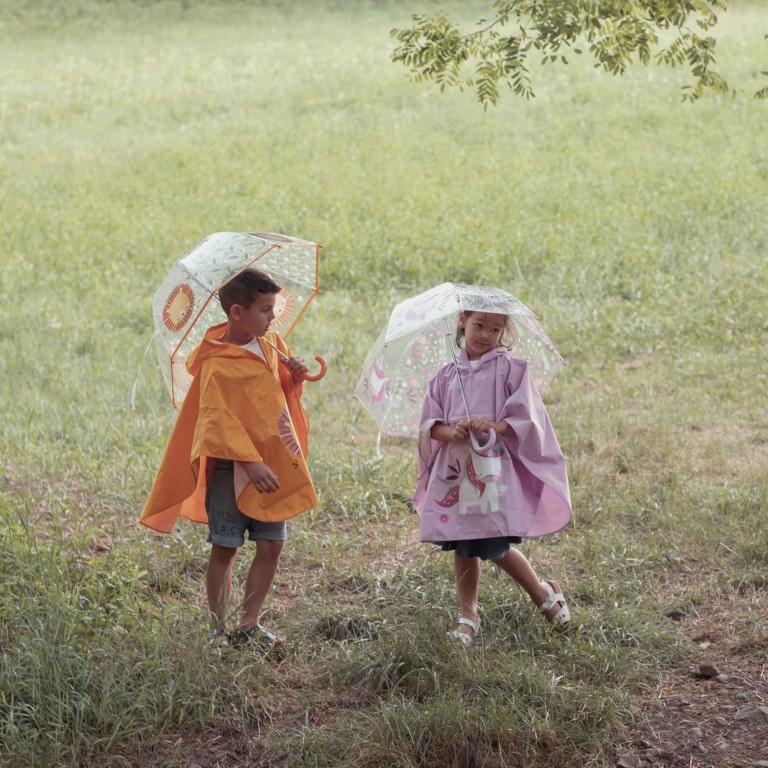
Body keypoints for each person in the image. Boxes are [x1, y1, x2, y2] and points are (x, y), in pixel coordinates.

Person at [140, 268, 317, 649]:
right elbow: (215, 420)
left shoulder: (272, 345)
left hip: (273, 463)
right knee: (226, 546)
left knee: (272, 544)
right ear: (237, 312)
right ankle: (217, 629)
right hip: (231, 469)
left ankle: (250, 624)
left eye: (274, 308)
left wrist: (295, 377)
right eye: (265, 310)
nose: (272, 317)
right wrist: (249, 463)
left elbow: (274, 400)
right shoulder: (217, 362)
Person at [413, 309, 572, 644]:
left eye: (495, 329)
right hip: (457, 473)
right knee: (463, 543)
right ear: (462, 322)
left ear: (504, 331)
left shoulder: (510, 369)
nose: (485, 335)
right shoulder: (446, 375)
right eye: (479, 326)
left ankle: (542, 593)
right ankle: (468, 615)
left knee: (495, 544)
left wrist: (494, 425)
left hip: (492, 472)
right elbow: (430, 424)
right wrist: (450, 431)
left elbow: (526, 417)